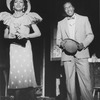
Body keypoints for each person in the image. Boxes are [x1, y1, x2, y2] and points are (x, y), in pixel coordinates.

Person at [0, 0, 42, 100]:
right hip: (14, 48)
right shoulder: (8, 18)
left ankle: (30, 96)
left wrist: (25, 35)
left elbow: (38, 33)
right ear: (13, 5)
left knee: (26, 72)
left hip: (25, 48)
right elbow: (5, 35)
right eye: (16, 2)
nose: (18, 4)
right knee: (16, 74)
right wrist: (11, 35)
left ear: (24, 5)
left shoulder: (28, 17)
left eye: (21, 2)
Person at [56, 1, 94, 100]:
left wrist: (83, 44)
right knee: (69, 83)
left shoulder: (84, 19)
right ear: (64, 10)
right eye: (65, 8)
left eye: (70, 7)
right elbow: (58, 40)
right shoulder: (60, 23)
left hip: (82, 53)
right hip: (67, 56)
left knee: (86, 81)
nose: (68, 9)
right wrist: (63, 45)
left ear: (73, 7)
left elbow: (90, 35)